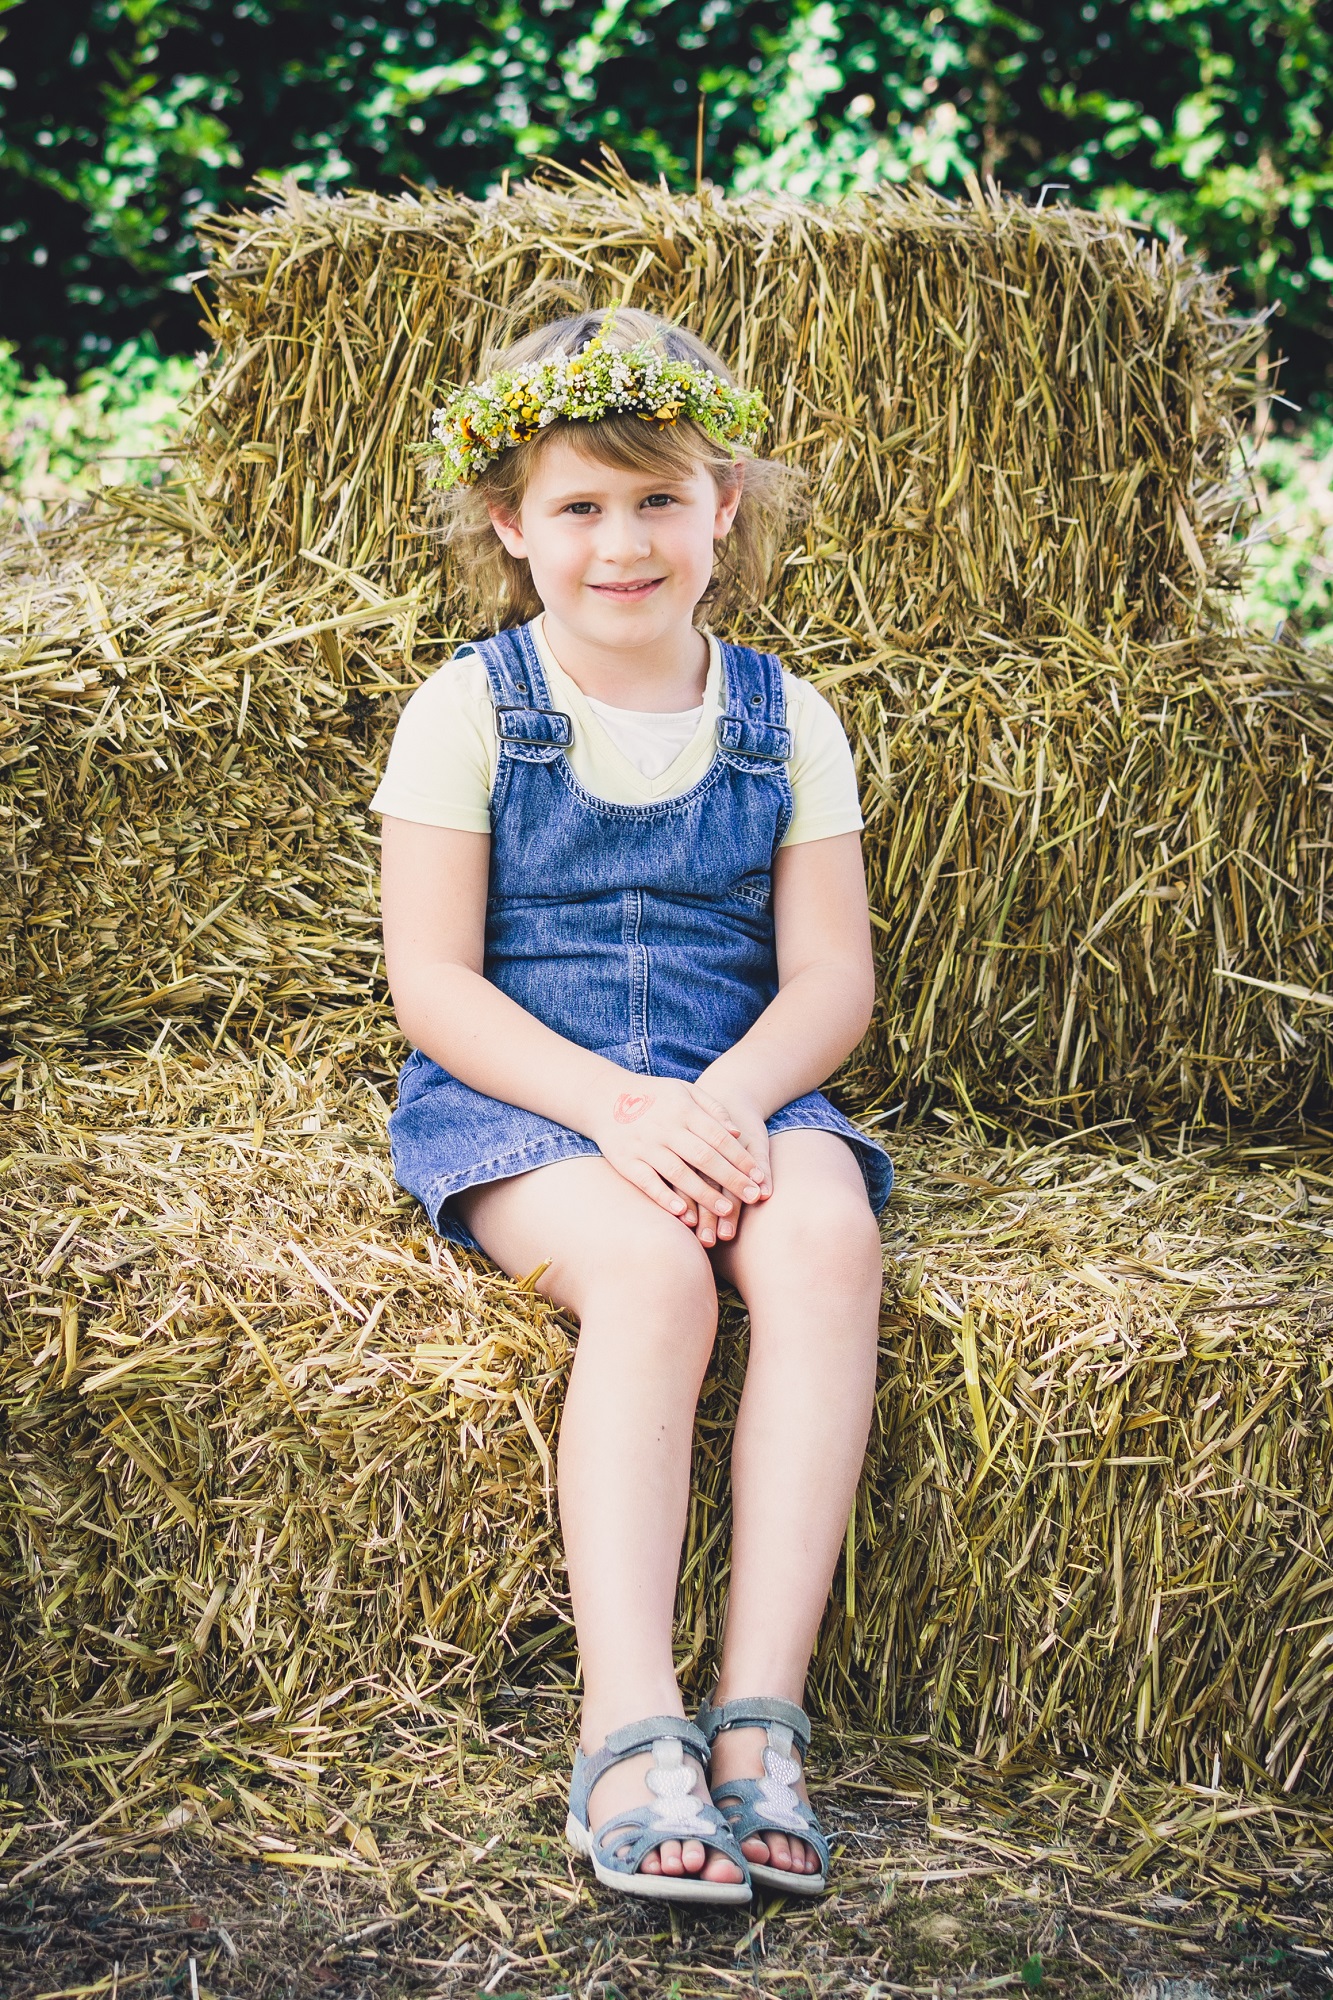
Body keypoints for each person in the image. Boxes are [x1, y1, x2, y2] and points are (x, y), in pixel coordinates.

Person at [373, 306, 892, 1906]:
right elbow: (434, 985)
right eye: (580, 506)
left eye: (658, 498)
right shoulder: (471, 707)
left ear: (721, 508)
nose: (623, 543)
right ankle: (626, 1720)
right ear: (507, 523)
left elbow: (831, 981)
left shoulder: (783, 716)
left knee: (825, 1244)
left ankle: (757, 1718)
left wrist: (723, 1103)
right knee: (658, 1278)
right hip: (525, 1096)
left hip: (739, 1082)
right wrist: (618, 1110)